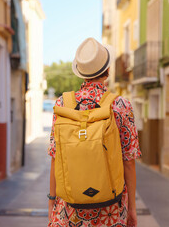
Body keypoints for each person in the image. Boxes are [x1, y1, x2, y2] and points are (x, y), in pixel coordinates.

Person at [47, 37, 142, 227]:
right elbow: (129, 163)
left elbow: (56, 157)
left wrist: (52, 202)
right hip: (112, 211)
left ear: (81, 73)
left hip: (69, 209)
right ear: (107, 71)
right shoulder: (121, 105)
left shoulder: (62, 105)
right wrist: (132, 208)